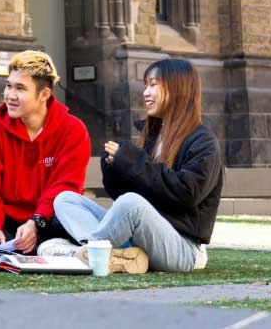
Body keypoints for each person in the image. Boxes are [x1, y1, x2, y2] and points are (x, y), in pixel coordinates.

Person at [53, 58, 224, 273]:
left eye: (153, 85)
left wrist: (132, 162)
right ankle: (108, 254)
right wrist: (115, 169)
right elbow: (128, 195)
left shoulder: (203, 142)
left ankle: (88, 253)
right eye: (145, 86)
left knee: (131, 203)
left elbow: (186, 194)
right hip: (141, 241)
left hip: (183, 249)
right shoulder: (153, 137)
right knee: (66, 199)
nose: (145, 93)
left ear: (177, 89)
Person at [0, 50, 89, 258]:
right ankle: (33, 250)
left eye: (20, 88)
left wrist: (35, 223)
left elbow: (65, 186)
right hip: (6, 221)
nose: (10, 95)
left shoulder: (73, 130)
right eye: (8, 86)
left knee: (70, 217)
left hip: (48, 220)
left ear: (44, 94)